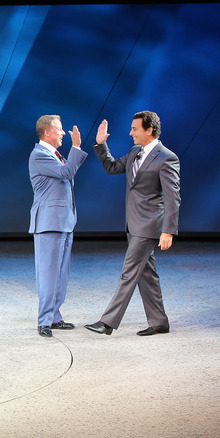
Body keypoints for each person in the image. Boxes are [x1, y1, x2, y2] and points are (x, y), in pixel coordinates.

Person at [85, 111, 181, 336]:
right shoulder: (135, 152)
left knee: (129, 273)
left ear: (149, 130)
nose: (130, 133)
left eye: (135, 129)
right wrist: (101, 144)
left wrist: (168, 230)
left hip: (149, 226)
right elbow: (111, 167)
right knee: (146, 274)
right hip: (133, 224)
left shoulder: (167, 157)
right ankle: (159, 322)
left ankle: (107, 323)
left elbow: (172, 197)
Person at [29, 115, 87, 337]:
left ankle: (54, 316)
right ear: (47, 132)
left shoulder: (54, 155)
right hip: (48, 223)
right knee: (47, 274)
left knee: (61, 274)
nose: (63, 133)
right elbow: (66, 173)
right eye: (60, 129)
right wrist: (77, 147)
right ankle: (44, 319)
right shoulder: (39, 155)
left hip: (64, 222)